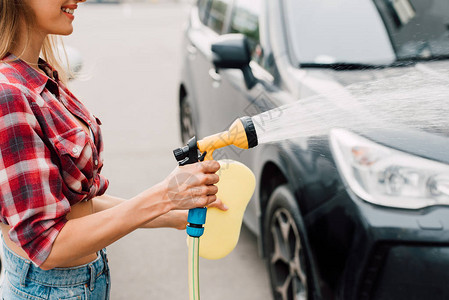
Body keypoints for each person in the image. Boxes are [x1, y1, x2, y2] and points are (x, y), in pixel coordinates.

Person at [0, 0, 225, 298]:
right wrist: (164, 196)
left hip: (78, 282)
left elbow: (77, 205)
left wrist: (174, 212)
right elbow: (48, 245)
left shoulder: (37, 74)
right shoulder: (8, 94)